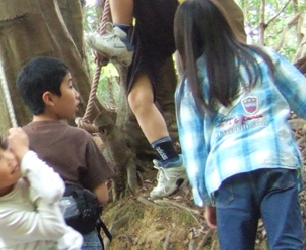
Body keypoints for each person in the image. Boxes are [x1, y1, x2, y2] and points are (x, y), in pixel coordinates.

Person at [174, 0, 306, 249]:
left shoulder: (189, 86)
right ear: (222, 23)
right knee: (287, 244)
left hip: (228, 175)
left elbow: (195, 151)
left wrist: (206, 198)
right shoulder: (262, 57)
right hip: (276, 159)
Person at [86, 0, 245, 199]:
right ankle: (171, 162)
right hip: (151, 25)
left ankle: (121, 35)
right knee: (137, 98)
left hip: (189, 10)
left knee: (222, 73)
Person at [16, 56, 115, 249]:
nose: (77, 94)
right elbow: (102, 196)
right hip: (81, 238)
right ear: (49, 98)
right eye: (70, 86)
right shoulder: (80, 138)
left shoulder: (16, 142)